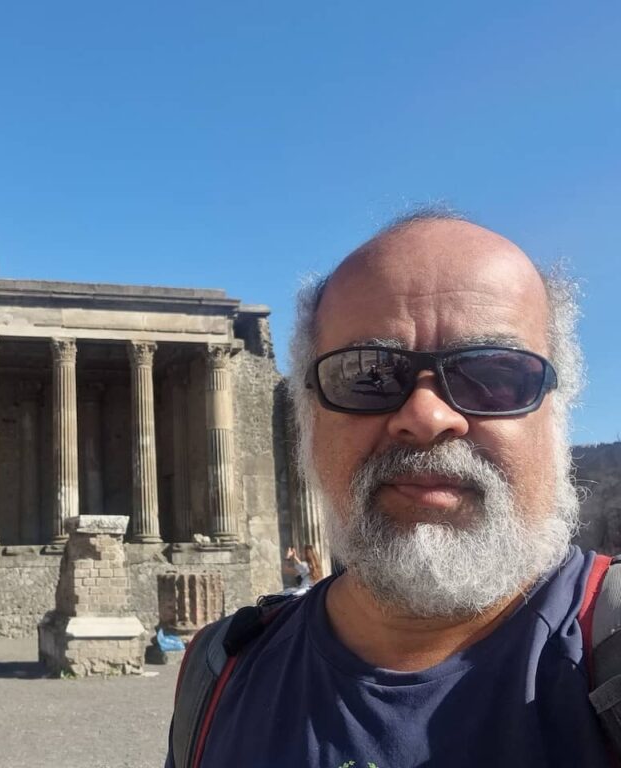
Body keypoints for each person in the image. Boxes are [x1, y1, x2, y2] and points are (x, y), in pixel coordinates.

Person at [165, 211, 613, 766]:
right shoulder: (219, 671)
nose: (426, 416)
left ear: (557, 413)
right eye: (366, 374)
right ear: (307, 418)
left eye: (496, 374)